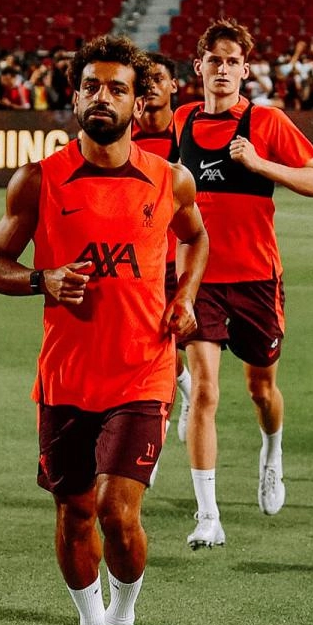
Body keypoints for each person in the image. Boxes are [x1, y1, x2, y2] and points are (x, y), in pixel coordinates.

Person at [0, 35, 207, 625]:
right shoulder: (39, 179)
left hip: (143, 371)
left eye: (115, 88)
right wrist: (40, 280)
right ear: (74, 96)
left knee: (117, 510)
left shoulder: (170, 179)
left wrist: (186, 297)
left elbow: (196, 239)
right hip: (66, 379)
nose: (101, 97)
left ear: (139, 102)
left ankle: (123, 621)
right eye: (90, 86)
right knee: (74, 513)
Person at [174, 19, 313, 549]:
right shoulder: (180, 121)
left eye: (232, 61)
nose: (222, 69)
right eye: (213, 60)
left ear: (245, 70)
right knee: (205, 393)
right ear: (199, 68)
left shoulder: (266, 121)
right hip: (200, 281)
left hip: (258, 279)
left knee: (261, 390)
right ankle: (208, 515)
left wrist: (261, 164)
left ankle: (271, 454)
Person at [132, 53, 193, 468]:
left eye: (158, 78)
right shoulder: (124, 137)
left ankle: (187, 393)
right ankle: (150, 450)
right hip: (143, 266)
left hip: (184, 261)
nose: (150, 85)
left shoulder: (190, 132)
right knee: (158, 354)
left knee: (176, 346)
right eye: (143, 80)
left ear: (175, 85)